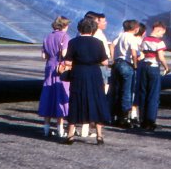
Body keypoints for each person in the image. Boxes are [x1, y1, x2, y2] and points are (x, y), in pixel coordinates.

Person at [62, 17, 111, 145]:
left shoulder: (73, 42)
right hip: (94, 73)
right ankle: (99, 135)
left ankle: (70, 134)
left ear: (80, 29)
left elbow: (68, 61)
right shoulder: (98, 42)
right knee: (97, 100)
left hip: (78, 73)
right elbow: (105, 61)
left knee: (76, 100)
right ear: (93, 29)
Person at [37, 16, 71, 138]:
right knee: (60, 95)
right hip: (60, 67)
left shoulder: (47, 37)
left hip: (49, 66)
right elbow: (64, 54)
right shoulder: (65, 37)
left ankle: (46, 126)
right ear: (65, 26)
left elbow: (43, 56)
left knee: (48, 93)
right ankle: (60, 128)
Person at [136, 21, 170, 131]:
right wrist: (166, 67)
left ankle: (142, 120)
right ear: (159, 30)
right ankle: (150, 121)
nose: (162, 35)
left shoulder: (144, 40)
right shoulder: (159, 42)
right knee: (153, 95)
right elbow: (160, 57)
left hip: (144, 65)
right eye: (162, 33)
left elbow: (141, 52)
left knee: (143, 93)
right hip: (154, 67)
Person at [108, 19, 140, 128]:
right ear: (135, 28)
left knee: (117, 90)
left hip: (117, 62)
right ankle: (124, 117)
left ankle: (114, 116)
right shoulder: (132, 38)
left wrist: (112, 58)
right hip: (126, 63)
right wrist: (135, 65)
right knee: (127, 91)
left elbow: (112, 45)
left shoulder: (120, 35)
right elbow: (134, 53)